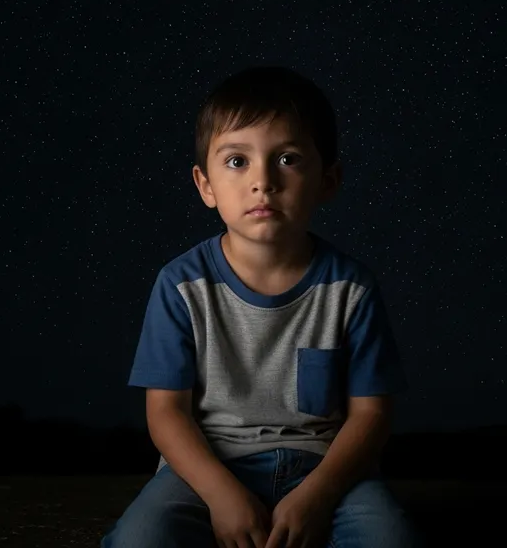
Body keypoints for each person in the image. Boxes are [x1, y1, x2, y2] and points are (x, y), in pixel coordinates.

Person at [101, 66, 421, 548]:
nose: (263, 181)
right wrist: (221, 496)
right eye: (237, 161)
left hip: (323, 469)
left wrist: (317, 496)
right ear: (205, 185)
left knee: (391, 539)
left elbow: (371, 414)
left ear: (328, 180)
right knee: (140, 540)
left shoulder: (350, 289)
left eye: (288, 158)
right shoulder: (181, 285)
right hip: (206, 470)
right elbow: (166, 413)